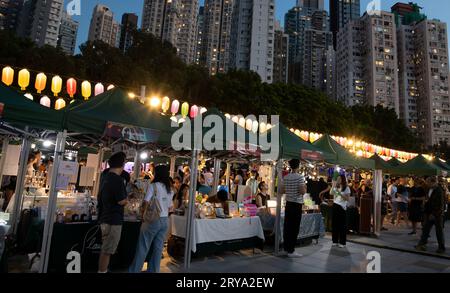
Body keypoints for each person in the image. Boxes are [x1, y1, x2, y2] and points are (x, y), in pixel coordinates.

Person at [129, 165, 174, 273]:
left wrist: (142, 214)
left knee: (143, 246)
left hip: (153, 220)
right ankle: (154, 270)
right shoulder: (170, 189)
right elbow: (171, 207)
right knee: (158, 248)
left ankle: (135, 270)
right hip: (164, 220)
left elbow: (146, 202)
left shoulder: (153, 186)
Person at [97, 152, 129, 273]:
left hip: (105, 218)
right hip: (113, 220)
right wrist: (127, 200)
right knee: (108, 250)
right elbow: (121, 201)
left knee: (105, 249)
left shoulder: (106, 177)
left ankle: (102, 270)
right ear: (122, 164)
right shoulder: (117, 180)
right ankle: (102, 271)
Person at [279, 159, 306, 258]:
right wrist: (305, 188)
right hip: (296, 204)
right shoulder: (300, 177)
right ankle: (291, 250)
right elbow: (302, 191)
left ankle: (287, 248)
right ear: (298, 166)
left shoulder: (285, 177)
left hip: (288, 204)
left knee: (287, 227)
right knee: (294, 228)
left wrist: (290, 190)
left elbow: (281, 190)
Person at [415, 176, 446, 254]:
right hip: (429, 213)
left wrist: (434, 214)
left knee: (439, 231)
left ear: (433, 182)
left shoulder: (439, 190)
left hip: (437, 214)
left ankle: (441, 248)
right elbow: (429, 199)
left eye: (428, 182)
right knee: (425, 229)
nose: (427, 184)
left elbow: (441, 204)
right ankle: (422, 244)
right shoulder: (430, 189)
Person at [330, 175, 351, 248]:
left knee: (342, 226)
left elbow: (347, 199)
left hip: (342, 208)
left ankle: (342, 242)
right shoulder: (336, 187)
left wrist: (340, 194)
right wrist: (333, 185)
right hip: (335, 205)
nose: (338, 180)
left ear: (342, 180)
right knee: (334, 224)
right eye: (337, 179)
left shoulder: (347, 188)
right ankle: (334, 241)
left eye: (339, 179)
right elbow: (331, 193)